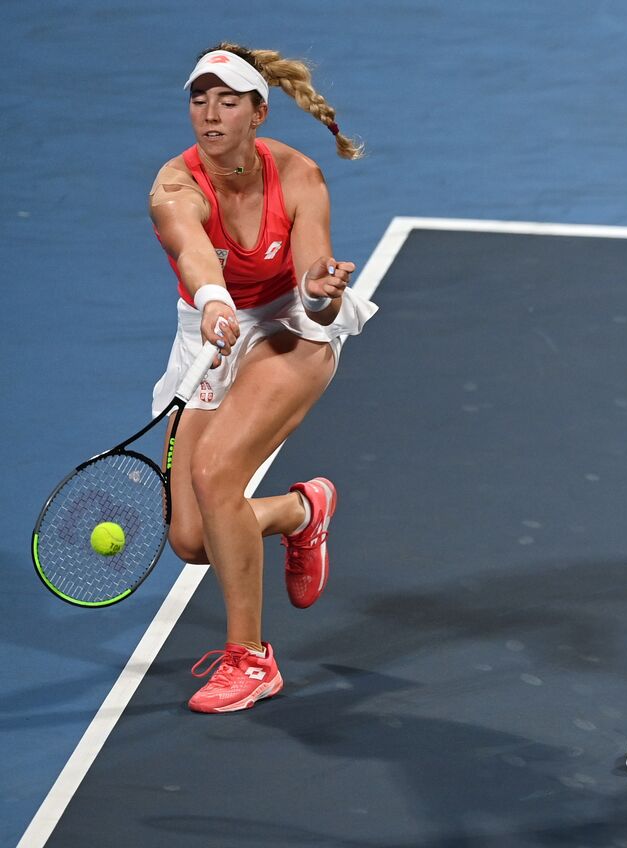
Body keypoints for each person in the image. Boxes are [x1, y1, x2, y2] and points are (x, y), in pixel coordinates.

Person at [148, 43, 376, 713]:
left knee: (216, 472)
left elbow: (315, 291)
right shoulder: (173, 190)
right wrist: (215, 303)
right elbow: (195, 256)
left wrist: (323, 291)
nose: (209, 114)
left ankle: (251, 661)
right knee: (193, 540)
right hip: (213, 328)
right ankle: (302, 510)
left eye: (226, 100)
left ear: (258, 111)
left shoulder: (299, 175)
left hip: (291, 331)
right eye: (199, 99)